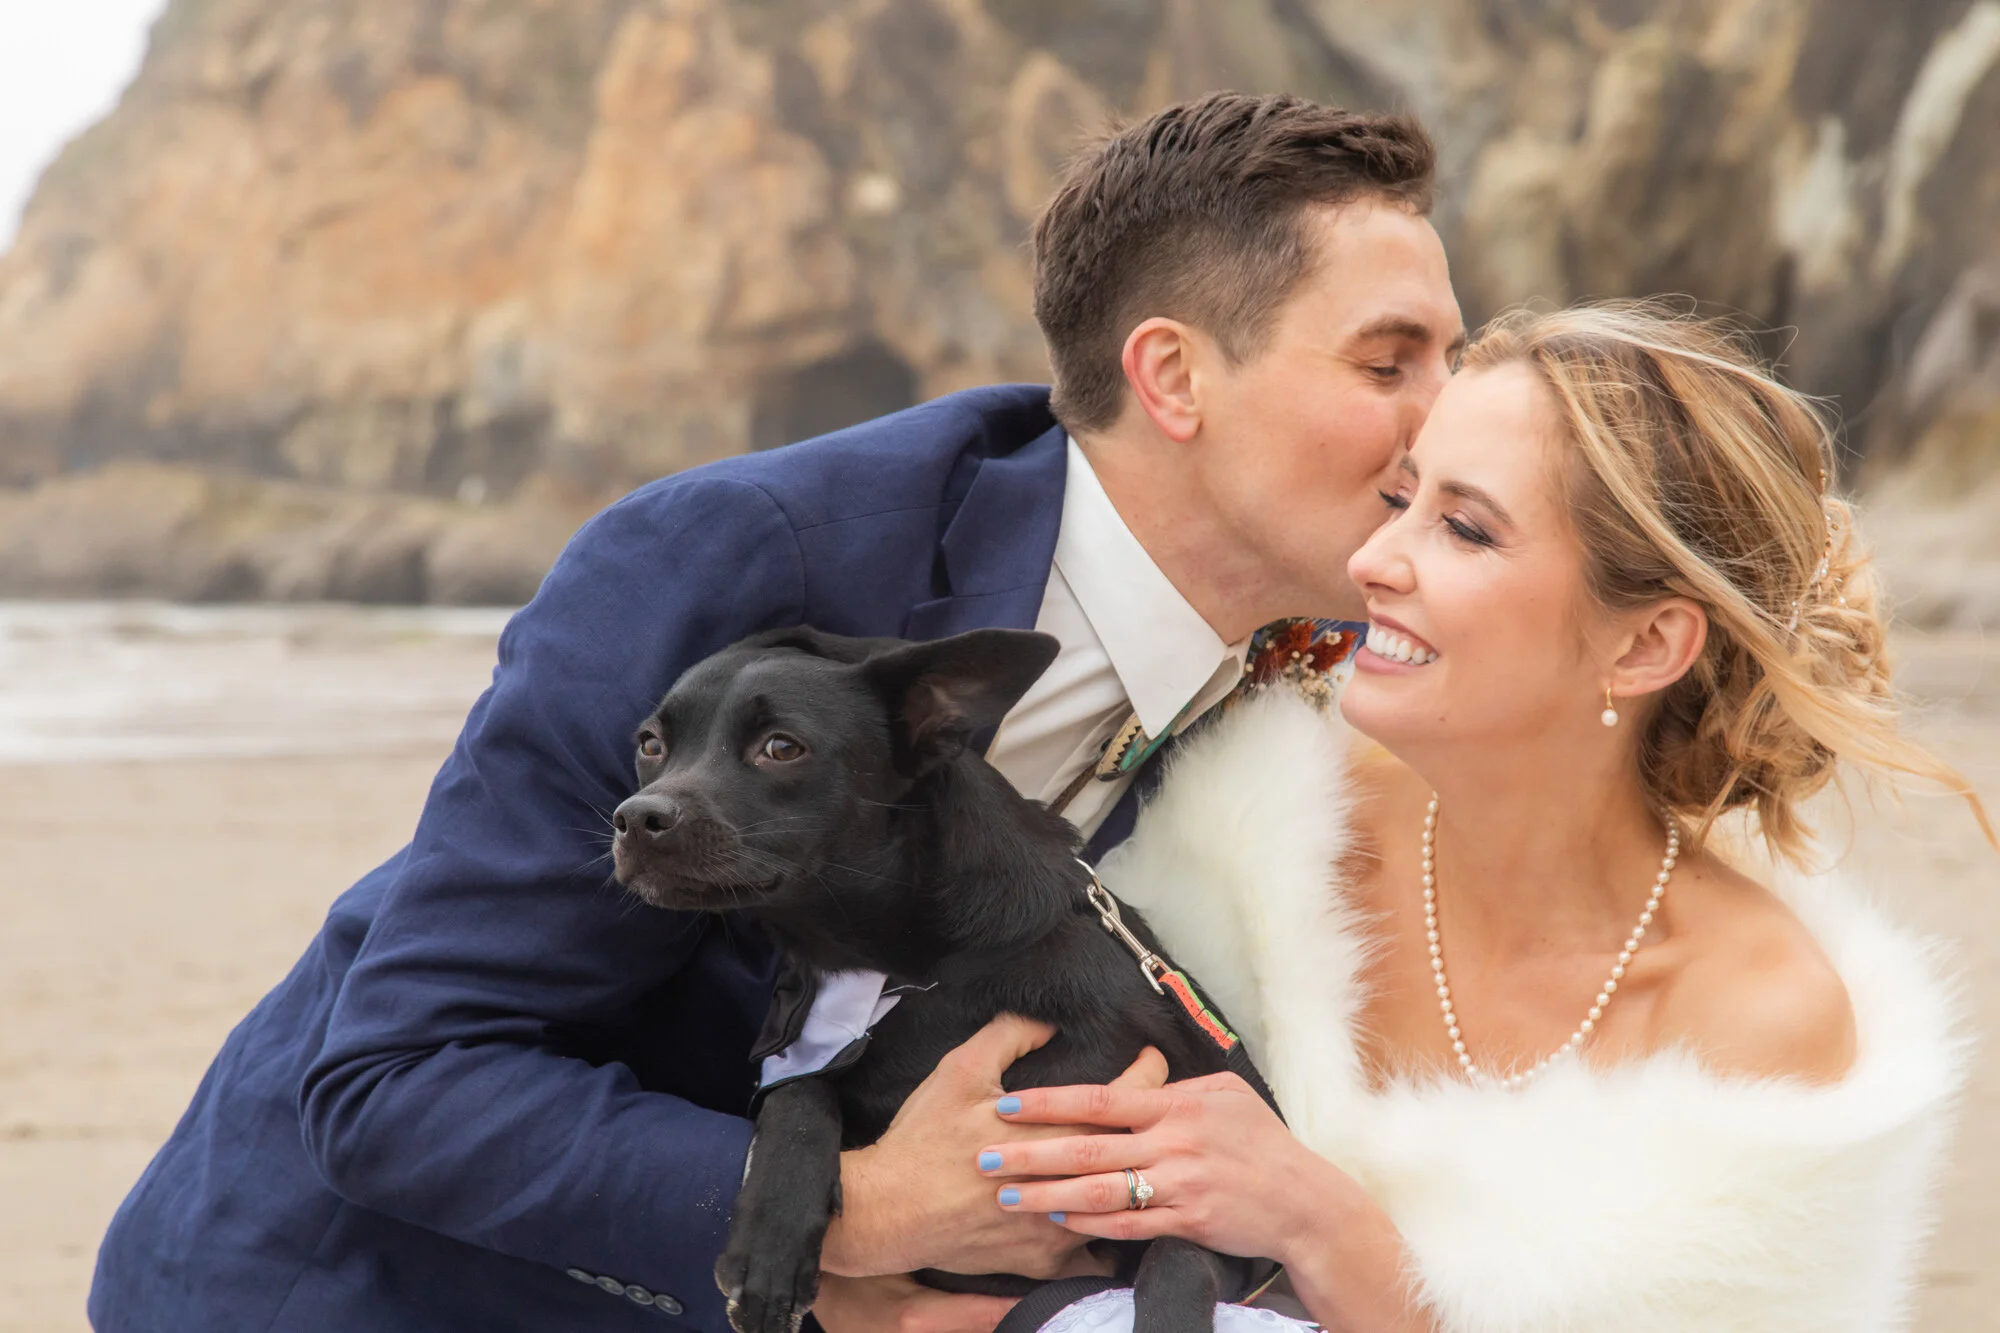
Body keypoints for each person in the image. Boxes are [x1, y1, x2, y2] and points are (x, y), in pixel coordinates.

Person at [88, 93, 1464, 1333]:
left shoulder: (1330, 656)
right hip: (353, 1293)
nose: (1447, 419)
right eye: (1389, 362)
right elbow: (403, 1080)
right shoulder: (740, 555)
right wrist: (860, 1215)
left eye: (1455, 364)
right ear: (1172, 379)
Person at [976, 304, 1984, 1332]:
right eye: (1400, 497)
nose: (1371, 559)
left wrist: (1327, 1231)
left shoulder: (1757, 1020)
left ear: (1642, 648)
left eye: (1462, 527)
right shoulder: (1252, 849)